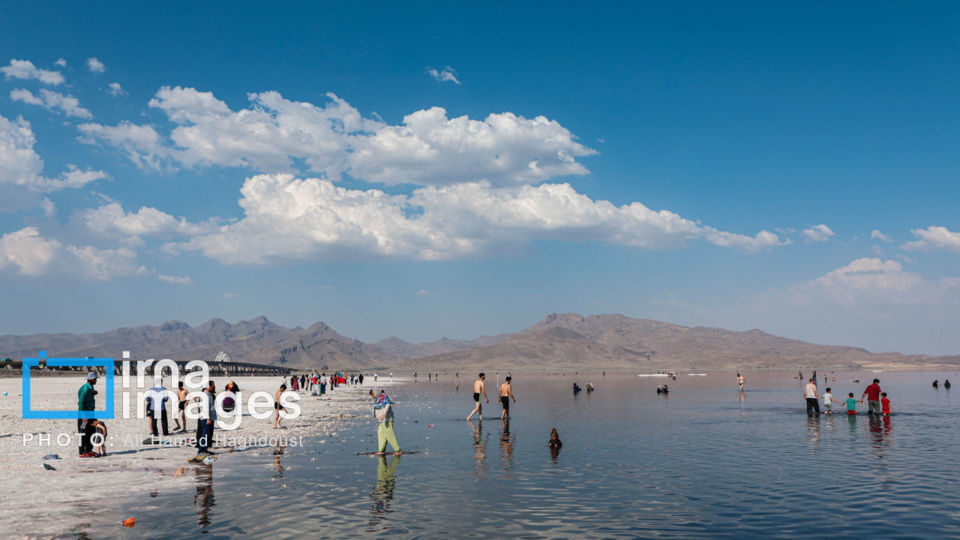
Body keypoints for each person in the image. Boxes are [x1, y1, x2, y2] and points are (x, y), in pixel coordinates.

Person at [373, 390, 401, 455]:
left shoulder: (383, 396)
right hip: (381, 420)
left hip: (387, 420)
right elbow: (375, 408)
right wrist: (374, 415)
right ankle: (381, 450)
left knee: (389, 434)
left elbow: (388, 404)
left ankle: (398, 450)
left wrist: (384, 414)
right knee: (381, 434)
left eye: (372, 393)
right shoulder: (377, 398)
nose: (372, 395)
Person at [77, 372, 99, 457]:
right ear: (90, 379)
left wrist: (94, 393)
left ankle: (89, 450)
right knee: (83, 433)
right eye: (95, 379)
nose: (96, 380)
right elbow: (81, 402)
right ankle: (82, 452)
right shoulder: (85, 388)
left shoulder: (90, 388)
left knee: (91, 431)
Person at [195, 380, 217, 458]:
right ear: (208, 387)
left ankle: (205, 450)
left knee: (208, 435)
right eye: (213, 385)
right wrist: (208, 418)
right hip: (206, 418)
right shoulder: (205, 395)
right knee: (205, 435)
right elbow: (205, 408)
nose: (214, 387)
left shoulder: (208, 394)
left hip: (210, 417)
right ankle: (200, 451)